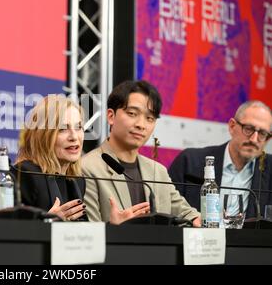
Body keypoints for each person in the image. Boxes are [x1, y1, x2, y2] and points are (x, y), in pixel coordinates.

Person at [82, 80, 201, 226]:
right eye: (132, 113)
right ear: (111, 116)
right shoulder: (87, 167)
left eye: (149, 118)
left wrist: (199, 219)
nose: (141, 125)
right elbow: (88, 231)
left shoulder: (157, 171)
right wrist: (113, 228)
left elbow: (185, 212)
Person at [15, 94, 149, 224]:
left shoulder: (77, 180)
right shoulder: (24, 173)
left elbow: (83, 236)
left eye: (78, 127)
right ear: (43, 135)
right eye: (62, 129)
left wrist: (112, 227)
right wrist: (47, 222)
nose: (74, 137)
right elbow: (10, 235)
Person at [169, 100, 272, 219]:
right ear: (232, 126)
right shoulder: (190, 162)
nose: (254, 139)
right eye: (248, 129)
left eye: (262, 133)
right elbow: (168, 212)